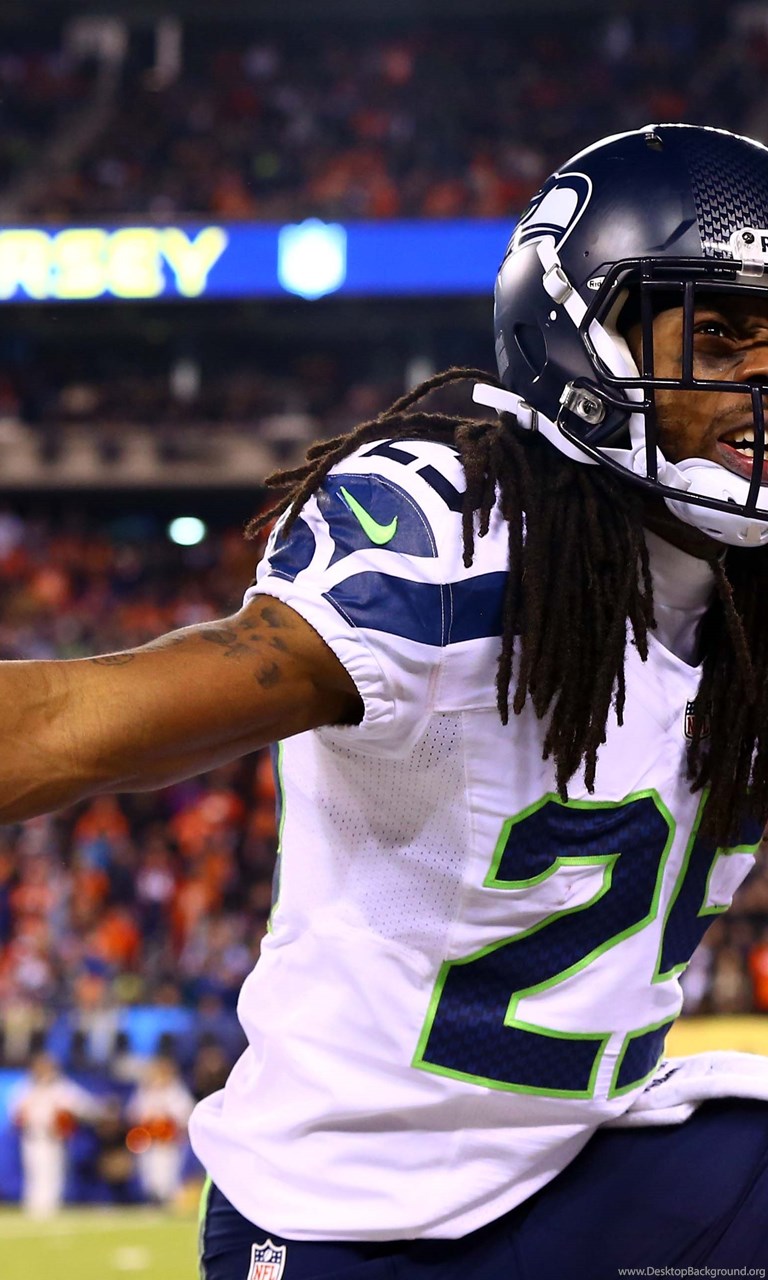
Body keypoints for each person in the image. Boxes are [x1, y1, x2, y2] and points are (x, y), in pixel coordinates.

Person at [2, 123, 768, 1274]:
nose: (762, 377)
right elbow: (76, 728)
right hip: (348, 1221)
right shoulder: (458, 541)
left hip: (576, 1174)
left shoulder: (748, 601)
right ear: (586, 340)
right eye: (719, 334)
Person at [8, 1051, 102, 1216]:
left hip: (54, 1138)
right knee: (34, 1173)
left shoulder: (62, 1087)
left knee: (53, 1174)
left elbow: (86, 1107)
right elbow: (15, 1113)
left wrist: (69, 1118)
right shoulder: (24, 1088)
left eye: (47, 1066)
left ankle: (50, 1210)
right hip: (32, 1136)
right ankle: (34, 1210)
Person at [125, 1053, 195, 1204]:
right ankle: (152, 1200)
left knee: (168, 1175)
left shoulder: (176, 1092)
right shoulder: (145, 1092)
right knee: (149, 1176)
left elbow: (187, 1115)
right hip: (149, 1142)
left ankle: (168, 1201)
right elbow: (132, 1114)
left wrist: (167, 1118)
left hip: (169, 1143)